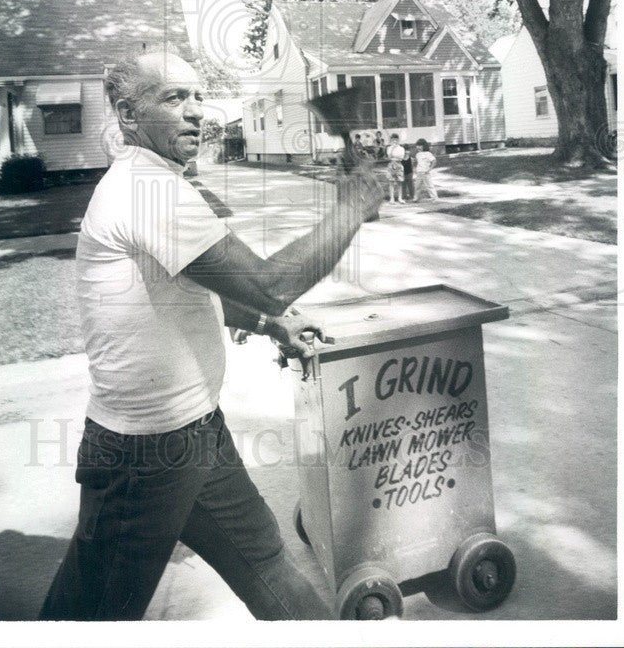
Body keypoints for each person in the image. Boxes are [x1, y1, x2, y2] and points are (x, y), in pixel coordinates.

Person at [38, 51, 383, 621]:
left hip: (195, 431)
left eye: (199, 97)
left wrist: (270, 323)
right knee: (91, 615)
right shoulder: (147, 189)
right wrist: (350, 207)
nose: (198, 113)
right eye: (175, 99)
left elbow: (198, 290)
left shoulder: (159, 181)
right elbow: (269, 283)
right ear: (127, 115)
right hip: (142, 452)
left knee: (269, 565)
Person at [385, 133, 405, 204]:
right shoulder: (389, 148)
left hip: (399, 166)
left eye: (396, 140)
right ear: (391, 140)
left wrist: (394, 158)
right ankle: (392, 198)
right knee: (391, 182)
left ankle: (400, 198)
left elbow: (401, 158)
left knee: (399, 182)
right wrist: (392, 149)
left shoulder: (401, 148)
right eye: (393, 140)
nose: (395, 141)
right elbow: (389, 157)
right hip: (391, 166)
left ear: (398, 140)